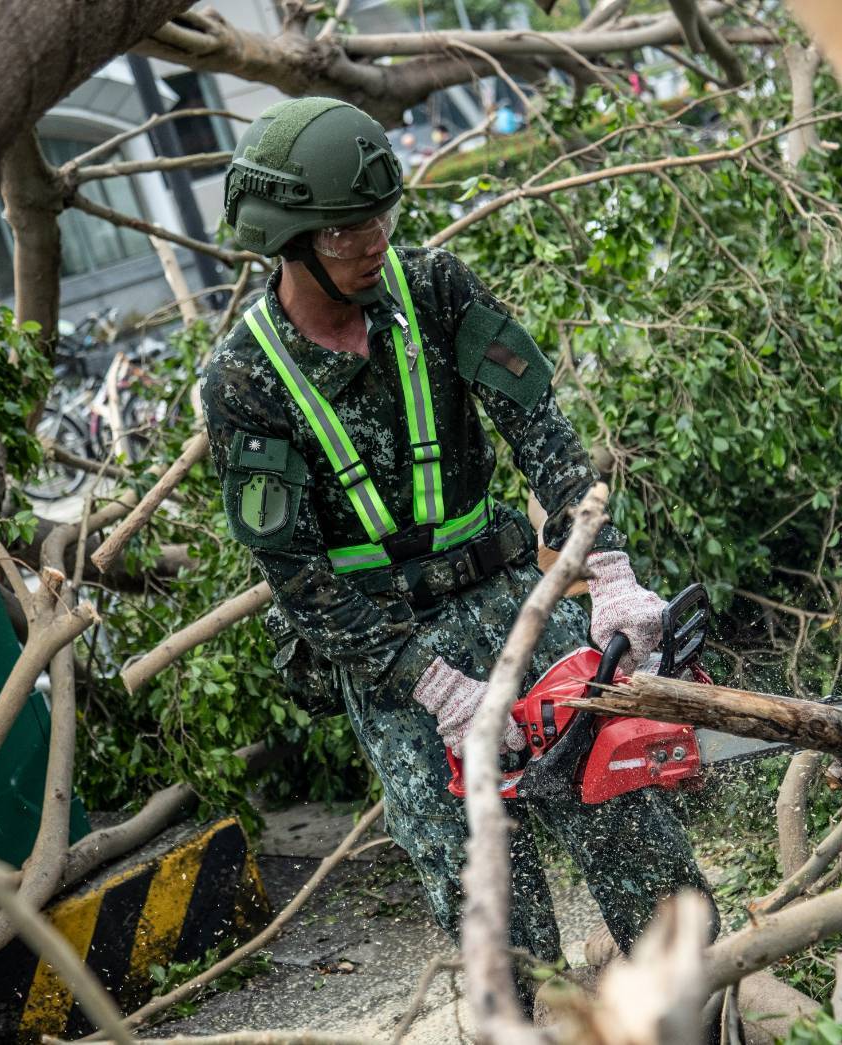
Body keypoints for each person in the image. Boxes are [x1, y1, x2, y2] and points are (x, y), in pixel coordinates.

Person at [202, 98, 715, 989]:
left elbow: (543, 434)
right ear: (290, 242)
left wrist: (610, 571)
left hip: (515, 599)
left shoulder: (435, 289)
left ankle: (709, 1005)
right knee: (494, 912)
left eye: (380, 219)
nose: (371, 242)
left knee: (634, 831)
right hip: (395, 657)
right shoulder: (246, 377)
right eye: (344, 232)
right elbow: (297, 576)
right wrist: (432, 686)